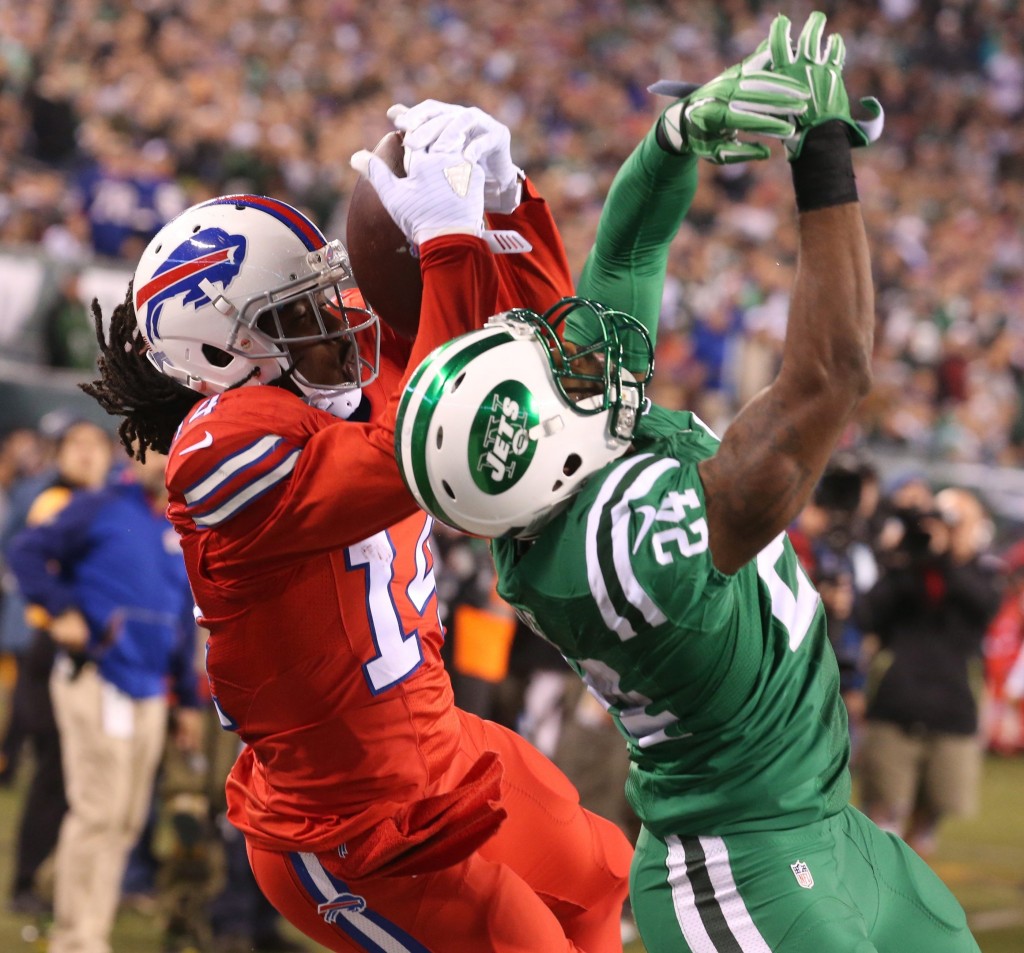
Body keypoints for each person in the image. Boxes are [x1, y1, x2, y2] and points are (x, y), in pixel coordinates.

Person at [391, 12, 982, 953]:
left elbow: (625, 254)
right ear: (550, 447)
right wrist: (821, 154)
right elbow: (828, 378)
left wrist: (676, 135)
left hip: (824, 826)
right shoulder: (631, 547)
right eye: (561, 377)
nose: (576, 354)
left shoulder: (552, 493)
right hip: (744, 871)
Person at [78, 131, 634, 949]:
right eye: (296, 313)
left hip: (440, 747)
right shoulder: (218, 449)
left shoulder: (337, 389)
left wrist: (508, 207)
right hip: (349, 825)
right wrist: (445, 245)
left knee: (602, 875)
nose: (337, 321)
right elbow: (435, 441)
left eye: (326, 293)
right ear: (220, 356)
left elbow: (534, 345)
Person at [7, 448, 203, 953]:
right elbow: (26, 551)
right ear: (136, 451)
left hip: (150, 689)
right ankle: (78, 940)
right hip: (97, 675)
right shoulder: (99, 504)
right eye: (157, 449)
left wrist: (186, 700)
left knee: (127, 820)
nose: (165, 460)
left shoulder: (181, 525)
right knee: (98, 813)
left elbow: (181, 621)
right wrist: (60, 610)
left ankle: (79, 920)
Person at [0, 416, 114, 916]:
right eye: (76, 444)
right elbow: (27, 561)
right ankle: (29, 877)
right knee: (55, 766)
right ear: (60, 453)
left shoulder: (111, 505)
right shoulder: (53, 501)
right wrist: (66, 610)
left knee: (75, 772)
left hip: (93, 652)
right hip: (48, 646)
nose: (87, 453)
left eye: (95, 443)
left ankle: (49, 876)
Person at [859, 486, 1001, 859]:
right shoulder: (907, 568)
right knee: (882, 812)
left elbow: (982, 608)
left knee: (937, 807)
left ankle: (910, 895)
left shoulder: (980, 572)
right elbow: (870, 612)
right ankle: (874, 891)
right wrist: (908, 555)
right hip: (897, 705)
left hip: (952, 710)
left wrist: (948, 559)